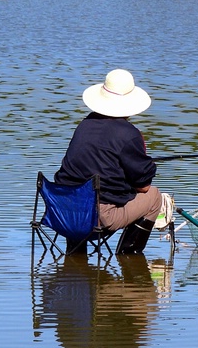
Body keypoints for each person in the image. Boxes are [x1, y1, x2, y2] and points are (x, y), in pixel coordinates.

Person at [54, 69, 162, 255]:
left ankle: (76, 255)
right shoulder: (129, 134)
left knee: (82, 192)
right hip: (97, 219)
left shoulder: (84, 125)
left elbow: (91, 164)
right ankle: (129, 259)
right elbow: (143, 187)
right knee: (154, 197)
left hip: (63, 212)